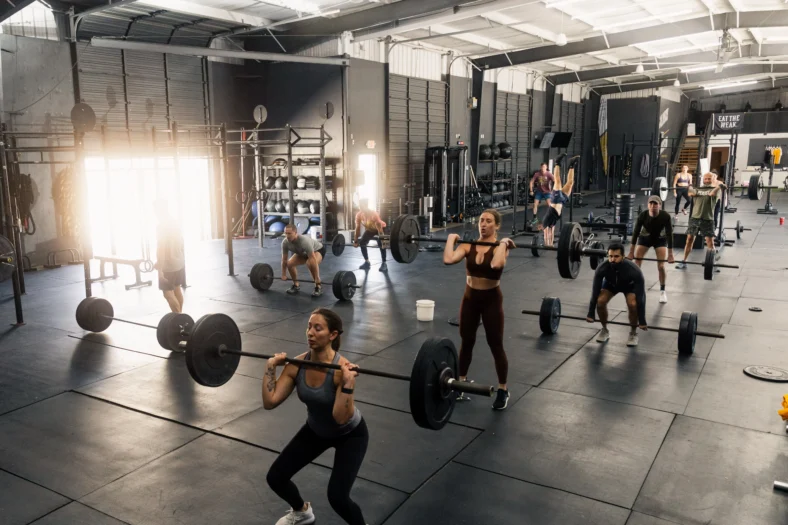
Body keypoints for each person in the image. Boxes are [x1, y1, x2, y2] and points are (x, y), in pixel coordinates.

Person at [263, 308, 368, 525]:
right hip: (316, 430)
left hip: (350, 435)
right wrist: (270, 368)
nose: (310, 332)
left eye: (317, 328)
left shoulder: (342, 370)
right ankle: (302, 512)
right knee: (276, 477)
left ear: (332, 335)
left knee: (337, 498)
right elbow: (270, 402)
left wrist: (348, 384)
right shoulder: (296, 366)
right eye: (309, 326)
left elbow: (340, 418)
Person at [443, 209, 514, 410]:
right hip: (470, 299)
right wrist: (450, 239)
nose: (483, 224)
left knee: (495, 344)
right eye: (481, 220)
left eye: (488, 221)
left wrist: (502, 243)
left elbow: (496, 264)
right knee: (467, 341)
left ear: (496, 226)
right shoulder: (468, 245)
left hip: (491, 300)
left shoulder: (502, 247)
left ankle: (503, 389)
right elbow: (448, 259)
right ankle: (461, 382)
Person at [587, 242, 648, 347]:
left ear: (623, 256)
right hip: (611, 284)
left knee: (633, 304)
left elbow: (640, 297)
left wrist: (642, 320)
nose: (612, 259)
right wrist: (591, 312)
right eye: (610, 256)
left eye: (616, 256)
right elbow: (595, 291)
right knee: (600, 301)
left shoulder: (634, 270)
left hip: (630, 286)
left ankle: (633, 333)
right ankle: (605, 330)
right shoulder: (602, 268)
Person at [628, 195, 674, 304]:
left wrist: (670, 254)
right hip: (645, 237)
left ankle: (662, 291)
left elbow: (669, 234)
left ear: (660, 205)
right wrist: (631, 252)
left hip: (660, 239)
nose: (653, 206)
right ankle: (636, 289)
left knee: (661, 266)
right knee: (637, 263)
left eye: (655, 204)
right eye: (651, 204)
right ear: (648, 205)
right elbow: (635, 234)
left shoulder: (665, 216)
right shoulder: (643, 215)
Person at [677, 172, 725, 270]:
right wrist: (690, 186)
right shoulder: (697, 189)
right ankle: (684, 261)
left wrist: (718, 186)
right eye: (705, 178)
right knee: (689, 240)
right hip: (695, 218)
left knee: (710, 242)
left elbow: (712, 194)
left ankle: (714, 262)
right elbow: (691, 193)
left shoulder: (717, 190)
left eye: (709, 178)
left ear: (713, 179)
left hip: (708, 219)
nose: (707, 180)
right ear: (703, 179)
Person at [154, 199, 186, 313]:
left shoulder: (161, 226)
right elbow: (181, 242)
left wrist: (160, 268)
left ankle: (178, 318)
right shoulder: (175, 222)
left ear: (157, 210)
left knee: (168, 293)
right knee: (177, 289)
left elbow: (161, 248)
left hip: (168, 266)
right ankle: (181, 319)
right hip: (179, 263)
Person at [281, 223, 326, 297]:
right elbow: (284, 260)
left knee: (309, 263)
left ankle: (318, 287)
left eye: (289, 233)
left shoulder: (304, 241)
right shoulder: (285, 243)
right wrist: (283, 274)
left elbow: (312, 259)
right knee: (289, 264)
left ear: (295, 233)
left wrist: (317, 279)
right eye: (286, 233)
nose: (287, 236)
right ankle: (296, 285)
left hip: (318, 250)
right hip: (302, 253)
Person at [541, 156, 577, 247]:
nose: (549, 230)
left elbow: (546, 235)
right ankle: (572, 165)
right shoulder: (552, 223)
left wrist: (547, 245)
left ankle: (557, 163)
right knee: (570, 183)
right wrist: (551, 245)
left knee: (558, 181)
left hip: (556, 200)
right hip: (562, 201)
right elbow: (551, 233)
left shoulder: (545, 223)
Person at [354, 198, 387, 272]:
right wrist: (355, 241)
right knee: (362, 242)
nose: (360, 208)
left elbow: (380, 229)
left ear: (366, 206)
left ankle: (384, 263)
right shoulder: (359, 215)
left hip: (381, 228)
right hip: (370, 229)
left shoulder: (373, 214)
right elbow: (357, 228)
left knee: (381, 243)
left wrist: (383, 240)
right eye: (359, 206)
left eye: (362, 206)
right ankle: (367, 262)